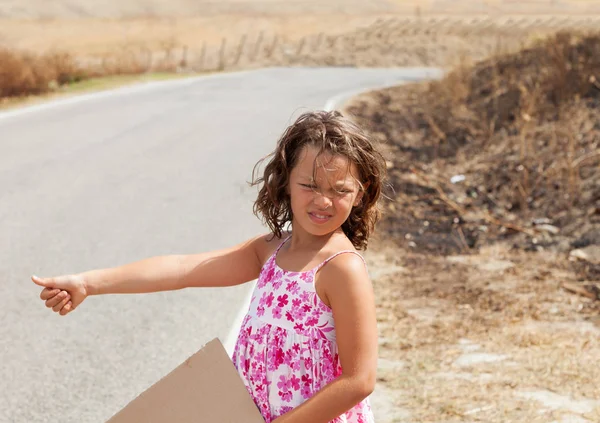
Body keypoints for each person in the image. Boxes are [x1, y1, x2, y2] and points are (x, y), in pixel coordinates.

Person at [33, 110, 387, 423]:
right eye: (309, 185)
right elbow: (183, 269)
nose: (323, 200)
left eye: (339, 190)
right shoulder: (271, 250)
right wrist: (88, 283)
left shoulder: (341, 269)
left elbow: (359, 380)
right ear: (284, 183)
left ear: (360, 191)